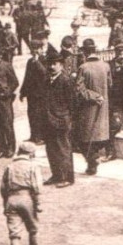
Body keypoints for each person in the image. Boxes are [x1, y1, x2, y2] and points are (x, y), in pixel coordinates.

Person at [0, 141, 45, 245]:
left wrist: (5, 203)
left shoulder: (10, 166)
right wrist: (38, 204)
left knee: (14, 234)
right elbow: (37, 187)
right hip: (27, 199)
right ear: (31, 154)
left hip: (12, 199)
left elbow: (3, 188)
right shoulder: (33, 166)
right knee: (33, 229)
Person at [74, 39, 111, 175]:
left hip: (88, 107)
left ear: (84, 52)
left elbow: (79, 90)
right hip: (103, 107)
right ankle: (93, 162)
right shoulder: (106, 66)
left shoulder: (83, 68)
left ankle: (93, 161)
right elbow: (110, 84)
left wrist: (94, 96)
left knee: (84, 137)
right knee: (97, 136)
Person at [43, 51, 75, 188]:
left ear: (61, 65)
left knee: (63, 149)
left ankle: (67, 177)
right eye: (49, 64)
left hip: (62, 120)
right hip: (48, 120)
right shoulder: (47, 79)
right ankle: (56, 175)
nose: (51, 66)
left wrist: (67, 118)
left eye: (54, 64)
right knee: (51, 149)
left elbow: (73, 103)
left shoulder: (65, 80)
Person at [0, 44, 19, 159]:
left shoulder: (6, 66)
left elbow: (15, 82)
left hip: (4, 100)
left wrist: (6, 92)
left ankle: (11, 148)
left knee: (7, 124)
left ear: (0, 55)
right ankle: (1, 148)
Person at [19, 42, 48, 145]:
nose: (34, 52)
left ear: (41, 49)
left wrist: (37, 62)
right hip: (31, 94)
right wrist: (22, 92)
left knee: (39, 115)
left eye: (36, 50)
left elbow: (44, 73)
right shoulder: (30, 62)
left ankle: (41, 137)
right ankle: (33, 136)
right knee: (31, 115)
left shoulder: (44, 60)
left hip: (41, 94)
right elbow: (26, 77)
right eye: (33, 50)